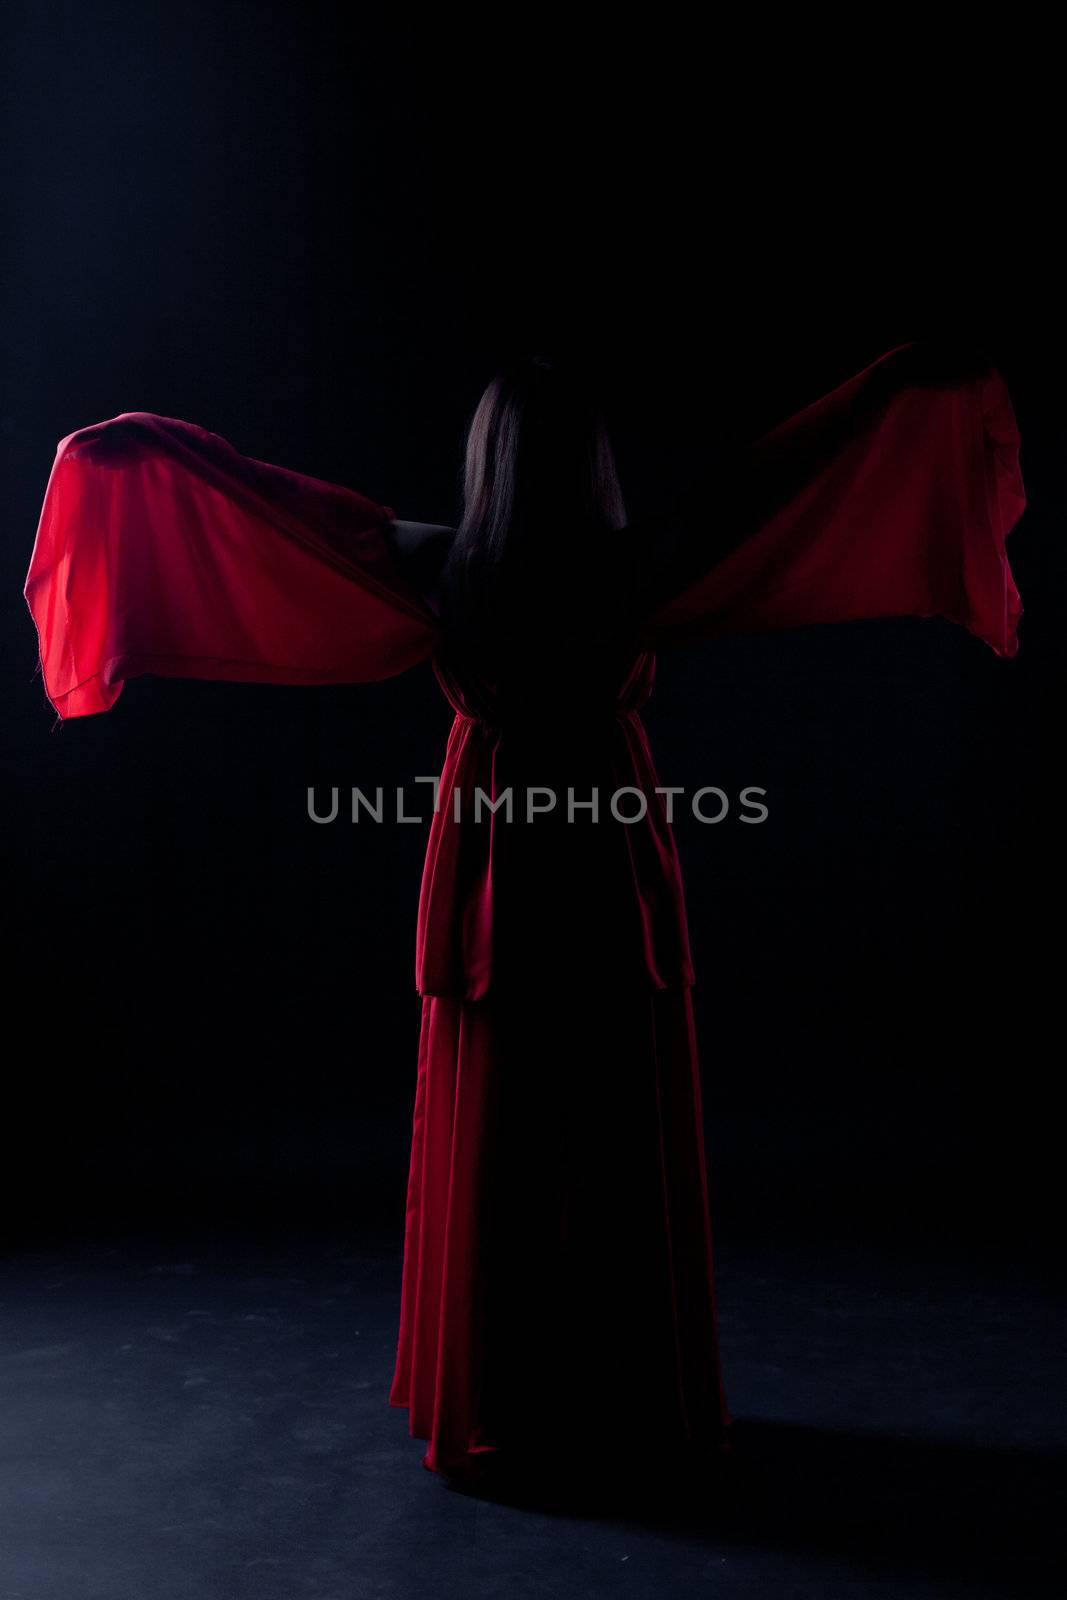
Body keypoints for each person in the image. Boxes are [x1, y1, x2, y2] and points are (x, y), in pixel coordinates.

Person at [23, 343, 1025, 1489]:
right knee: (606, 1111)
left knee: (500, 1110)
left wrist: (145, 448)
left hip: (500, 854)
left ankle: (503, 1395)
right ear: (588, 466)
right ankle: (619, 1397)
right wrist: (895, 390)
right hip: (597, 861)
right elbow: (781, 480)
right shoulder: (636, 565)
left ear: (486, 463)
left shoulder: (443, 569)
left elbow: (271, 507)